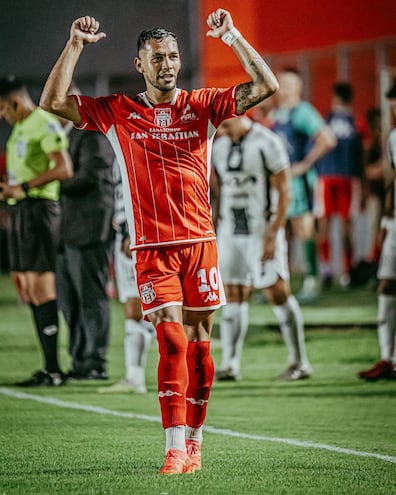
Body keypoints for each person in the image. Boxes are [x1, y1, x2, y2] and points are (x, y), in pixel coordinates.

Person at [39, 9, 279, 475]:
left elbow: (265, 86)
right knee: (169, 339)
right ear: (140, 65)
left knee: (200, 346)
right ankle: (173, 447)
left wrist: (231, 36)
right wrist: (74, 45)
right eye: (157, 58)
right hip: (152, 249)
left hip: (200, 243)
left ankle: (195, 442)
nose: (167, 64)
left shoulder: (204, 105)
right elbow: (52, 101)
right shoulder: (116, 112)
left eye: (172, 56)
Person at [211, 116, 312, 381]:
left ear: (239, 116)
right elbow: (217, 191)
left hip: (261, 230)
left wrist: (274, 233)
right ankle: (230, 365)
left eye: (226, 125)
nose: (222, 132)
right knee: (232, 293)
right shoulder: (220, 147)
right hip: (230, 230)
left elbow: (285, 190)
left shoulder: (268, 142)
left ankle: (299, 362)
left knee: (277, 291)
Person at [0, 76, 72, 386]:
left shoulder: (43, 122)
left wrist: (24, 188)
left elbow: (64, 168)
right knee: (27, 289)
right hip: (22, 211)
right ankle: (48, 367)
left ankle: (54, 370)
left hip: (40, 211)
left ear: (15, 103)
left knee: (42, 289)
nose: (2, 115)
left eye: (3, 109)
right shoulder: (19, 127)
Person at [56, 87, 115, 380]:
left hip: (92, 228)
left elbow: (92, 175)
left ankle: (95, 361)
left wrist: (48, 183)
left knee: (91, 297)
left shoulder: (91, 133)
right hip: (69, 230)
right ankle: (80, 360)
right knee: (70, 300)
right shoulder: (66, 136)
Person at [272, 67, 336, 302]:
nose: (284, 89)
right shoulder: (279, 114)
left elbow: (328, 138)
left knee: (304, 229)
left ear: (299, 87)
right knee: (282, 232)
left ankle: (312, 281)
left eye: (289, 84)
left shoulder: (303, 111)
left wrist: (305, 164)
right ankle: (280, 284)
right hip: (282, 182)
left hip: (299, 182)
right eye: (282, 83)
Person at [98, 158, 153, 394]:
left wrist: (133, 230)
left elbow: (146, 187)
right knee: (134, 308)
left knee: (151, 307)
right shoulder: (119, 144)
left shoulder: (138, 143)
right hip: (126, 232)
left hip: (139, 234)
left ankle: (179, 373)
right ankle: (134, 376)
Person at [358, 80, 396, 381]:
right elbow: (391, 184)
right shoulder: (393, 137)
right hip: (394, 224)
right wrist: (385, 224)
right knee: (386, 285)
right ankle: (387, 358)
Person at [314, 82, 364, 289]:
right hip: (348, 177)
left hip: (325, 177)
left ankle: (326, 269)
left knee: (323, 224)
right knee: (346, 226)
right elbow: (363, 152)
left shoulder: (325, 120)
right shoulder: (357, 122)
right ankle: (346, 272)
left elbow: (316, 145)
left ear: (335, 97)